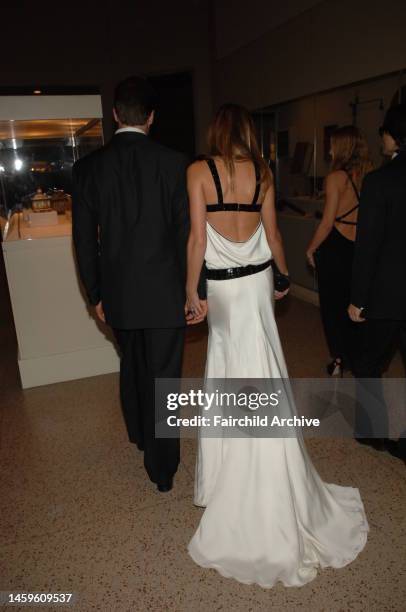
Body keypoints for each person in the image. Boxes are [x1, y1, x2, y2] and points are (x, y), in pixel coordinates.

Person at [185, 104, 368, 587]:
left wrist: (191, 291)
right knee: (263, 365)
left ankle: (233, 471)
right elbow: (273, 233)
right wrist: (283, 278)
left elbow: (197, 239)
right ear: (247, 132)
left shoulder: (198, 171)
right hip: (257, 285)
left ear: (216, 132)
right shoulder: (262, 173)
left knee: (227, 369)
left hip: (223, 290)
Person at [72, 76, 206, 493]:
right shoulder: (174, 161)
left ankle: (139, 436)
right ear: (151, 117)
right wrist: (193, 290)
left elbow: (82, 241)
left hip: (118, 294)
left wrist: (95, 295)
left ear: (115, 115)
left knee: (131, 363)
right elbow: (188, 234)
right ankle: (162, 469)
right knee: (164, 377)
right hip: (165, 291)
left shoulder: (88, 167)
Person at [348, 104, 406, 461]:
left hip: (386, 294)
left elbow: (367, 245)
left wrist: (357, 298)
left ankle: (373, 432)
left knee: (367, 361)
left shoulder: (379, 181)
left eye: (384, 131)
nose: (380, 138)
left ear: (395, 135)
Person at [306, 126, 373, 376]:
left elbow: (327, 222)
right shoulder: (369, 176)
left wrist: (311, 249)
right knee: (354, 305)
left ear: (343, 147)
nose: (330, 149)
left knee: (332, 308)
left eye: (333, 144)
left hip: (335, 248)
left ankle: (338, 360)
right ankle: (357, 359)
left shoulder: (335, 178)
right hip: (360, 248)